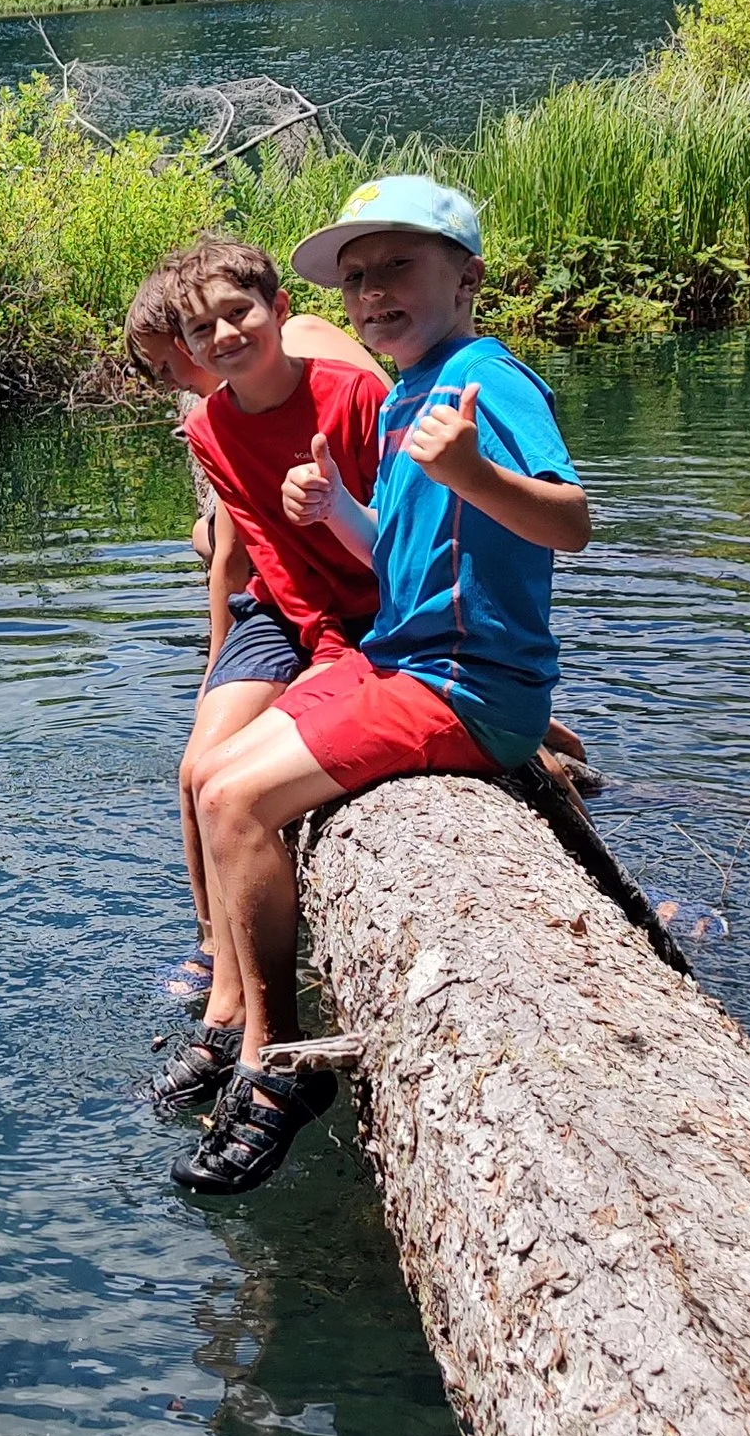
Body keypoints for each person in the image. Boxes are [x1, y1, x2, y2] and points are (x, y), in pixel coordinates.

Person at [174, 175, 591, 1199]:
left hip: (463, 683)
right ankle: (230, 1015)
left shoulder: (486, 380)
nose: (371, 294)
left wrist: (478, 476)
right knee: (206, 776)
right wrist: (337, 514)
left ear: (466, 276)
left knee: (235, 800)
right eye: (355, 280)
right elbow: (403, 557)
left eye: (397, 265)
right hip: (399, 659)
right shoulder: (411, 386)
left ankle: (277, 1064)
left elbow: (571, 523)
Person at [124, 244, 385, 1095]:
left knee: (228, 780)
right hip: (291, 609)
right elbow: (252, 551)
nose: (221, 339)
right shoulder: (210, 422)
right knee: (199, 766)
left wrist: (340, 653)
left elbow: (417, 535)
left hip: (369, 607)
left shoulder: (347, 386)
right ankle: (219, 975)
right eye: (200, 334)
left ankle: (233, 1010)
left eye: (239, 313)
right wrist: (251, 661)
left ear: (276, 306)